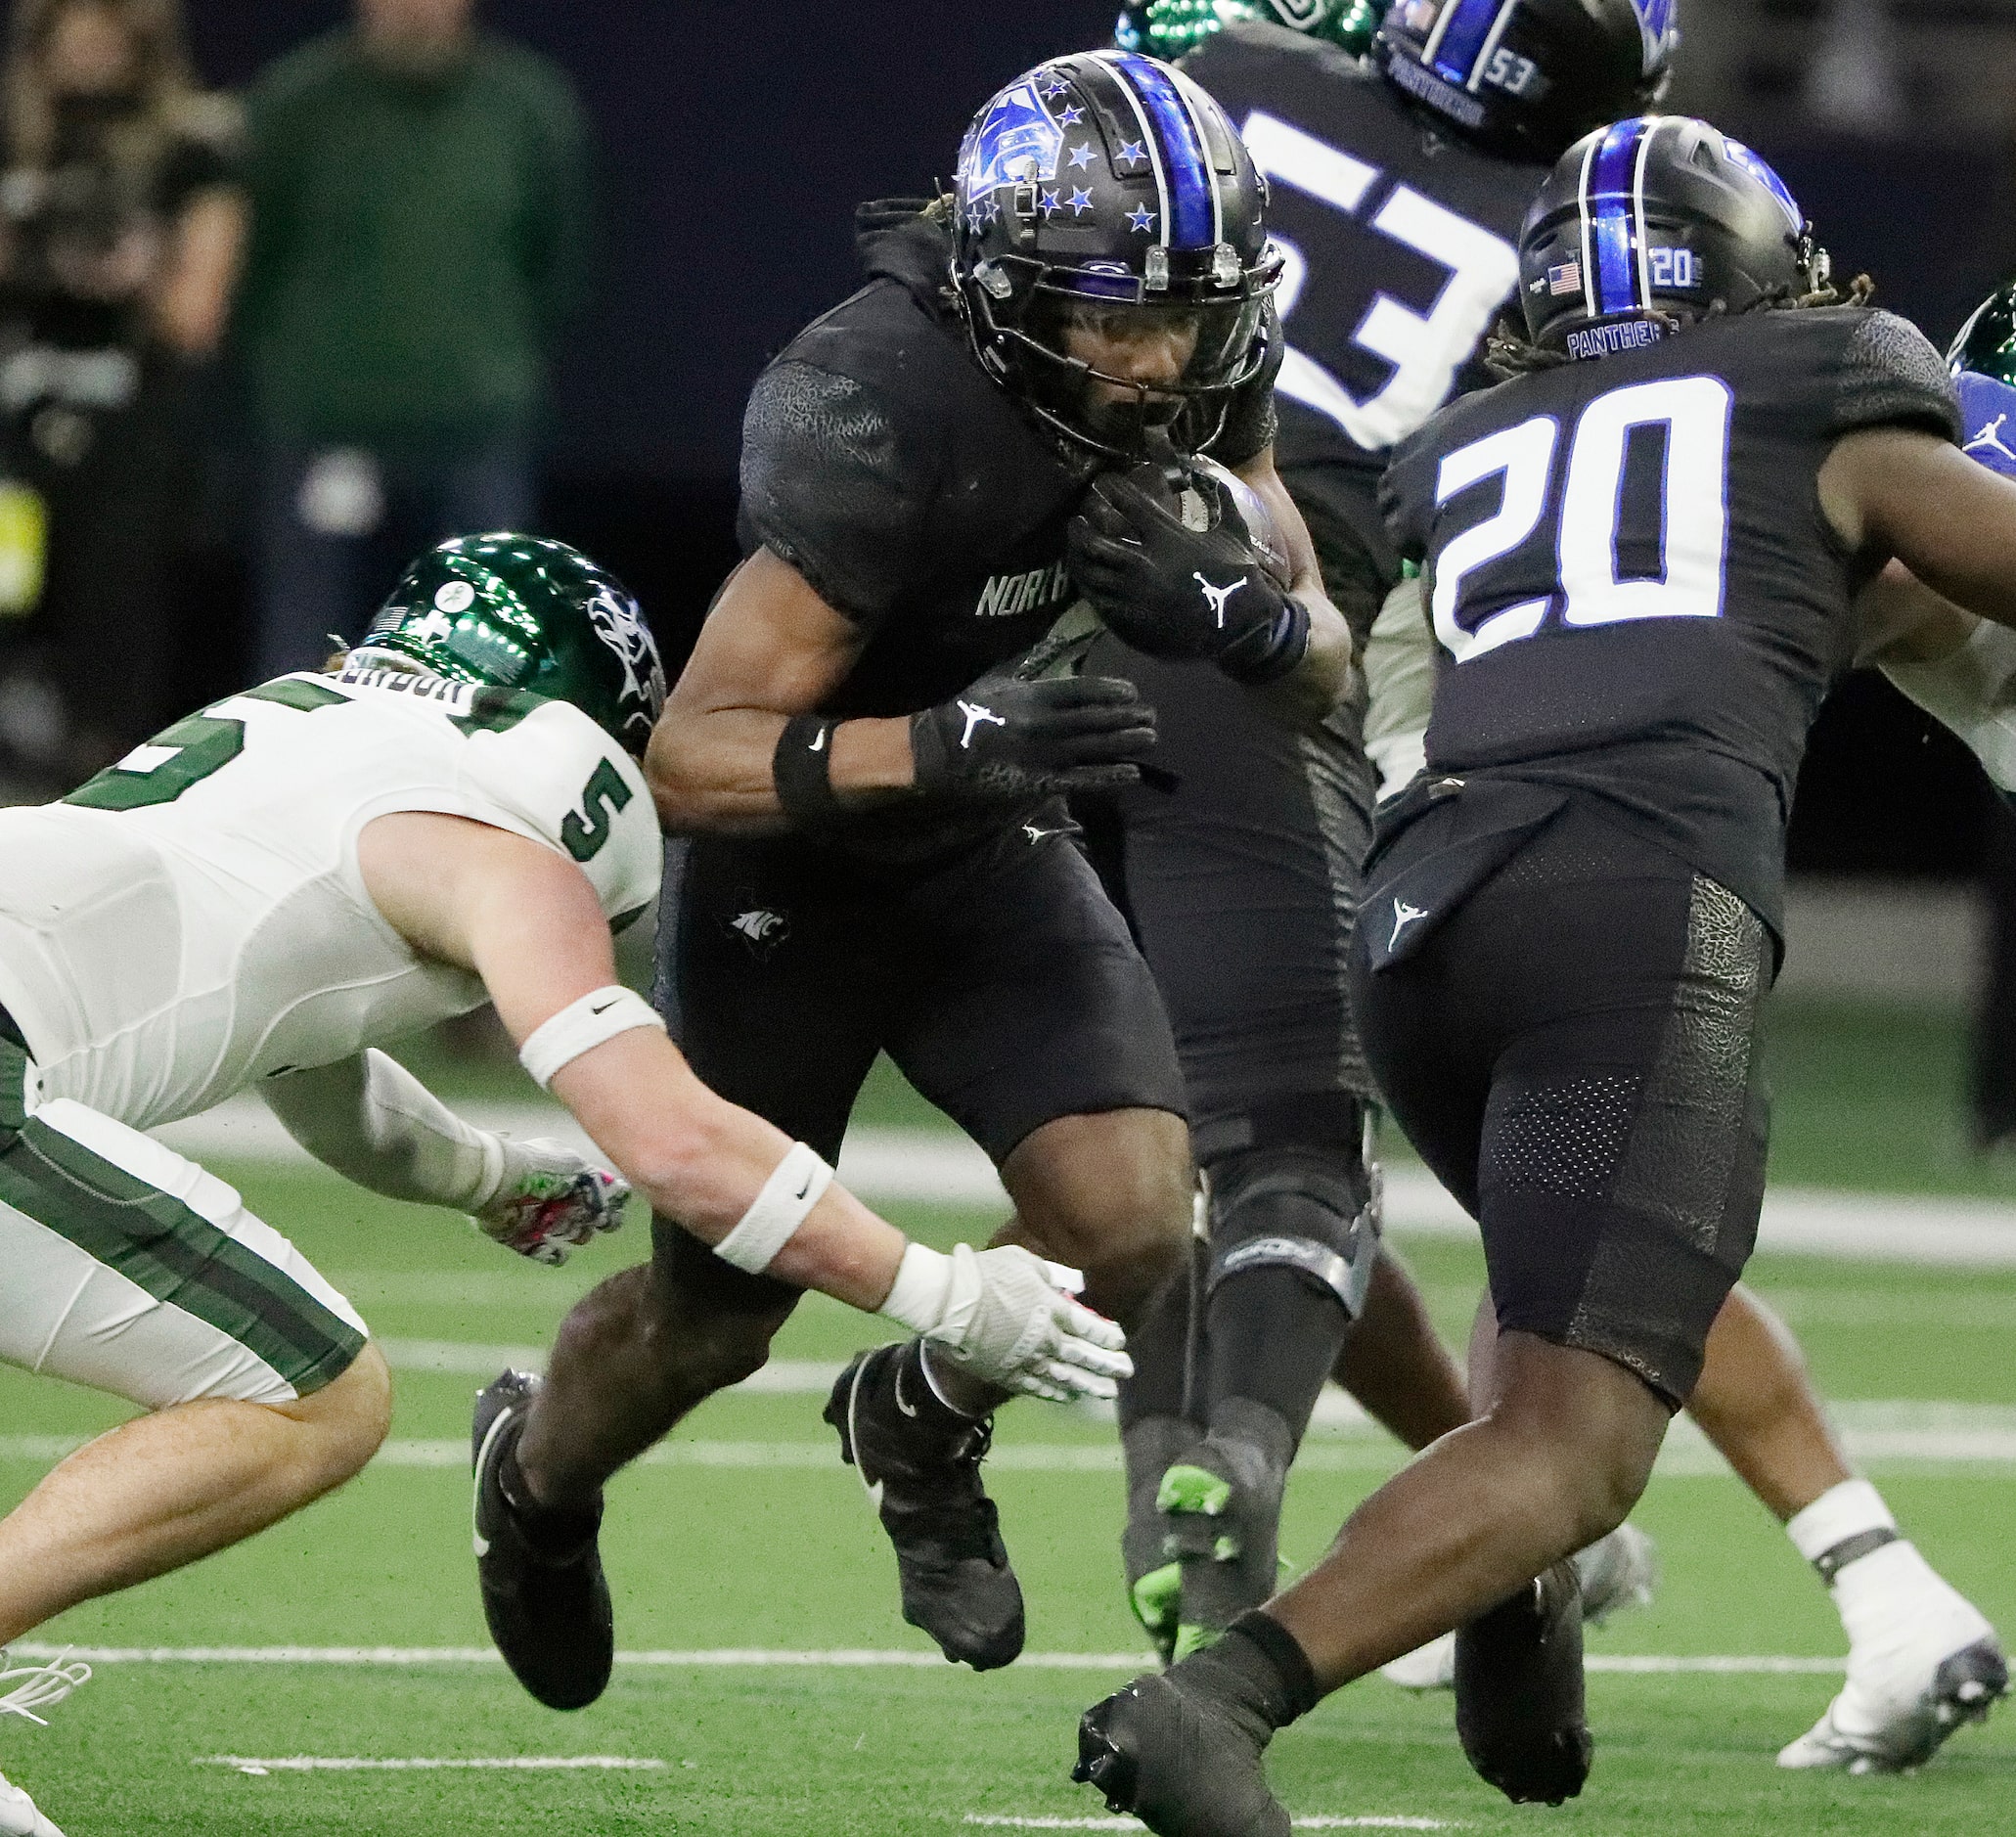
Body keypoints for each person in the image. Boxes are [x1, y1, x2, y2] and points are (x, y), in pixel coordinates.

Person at [1072, 117, 2016, 1835]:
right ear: (1750, 271)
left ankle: (1515, 1600)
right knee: (1577, 1444)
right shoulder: (1814, 384)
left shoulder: (1478, 438)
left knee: (1542, 1351)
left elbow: (1723, 589)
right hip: (1633, 904)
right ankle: (1220, 1699)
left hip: (1424, 916)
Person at [471, 49, 1360, 1710]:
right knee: (709, 1324)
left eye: (1185, 312)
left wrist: (1239, 609)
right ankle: (533, 1481)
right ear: (1004, 281)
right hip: (795, 869)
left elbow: (1319, 649)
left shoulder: (1195, 353)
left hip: (984, 835)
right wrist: (939, 743)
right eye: (1109, 316)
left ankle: (916, 1411)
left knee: (1132, 1220)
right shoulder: (875, 395)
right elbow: (694, 750)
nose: (1155, 355)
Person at [0, 533, 1125, 1836]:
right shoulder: (496, 842)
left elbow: (306, 1051)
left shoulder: (293, 730)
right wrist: (951, 1291)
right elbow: (679, 1146)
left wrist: (483, 1174)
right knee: (315, 1395)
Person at [236, 0, 593, 681]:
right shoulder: (295, 101)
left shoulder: (528, 105)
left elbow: (559, 259)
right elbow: (257, 259)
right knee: (303, 650)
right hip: (324, 426)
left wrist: (495, 367)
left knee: (487, 654)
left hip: (476, 428)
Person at [0, 0, 244, 787]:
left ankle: (103, 808)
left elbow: (195, 318)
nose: (91, 51)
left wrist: (137, 272)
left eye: (110, 33)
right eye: (74, 32)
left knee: (112, 646)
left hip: (130, 445)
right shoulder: (17, 138)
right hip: (13, 445)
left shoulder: (192, 145)